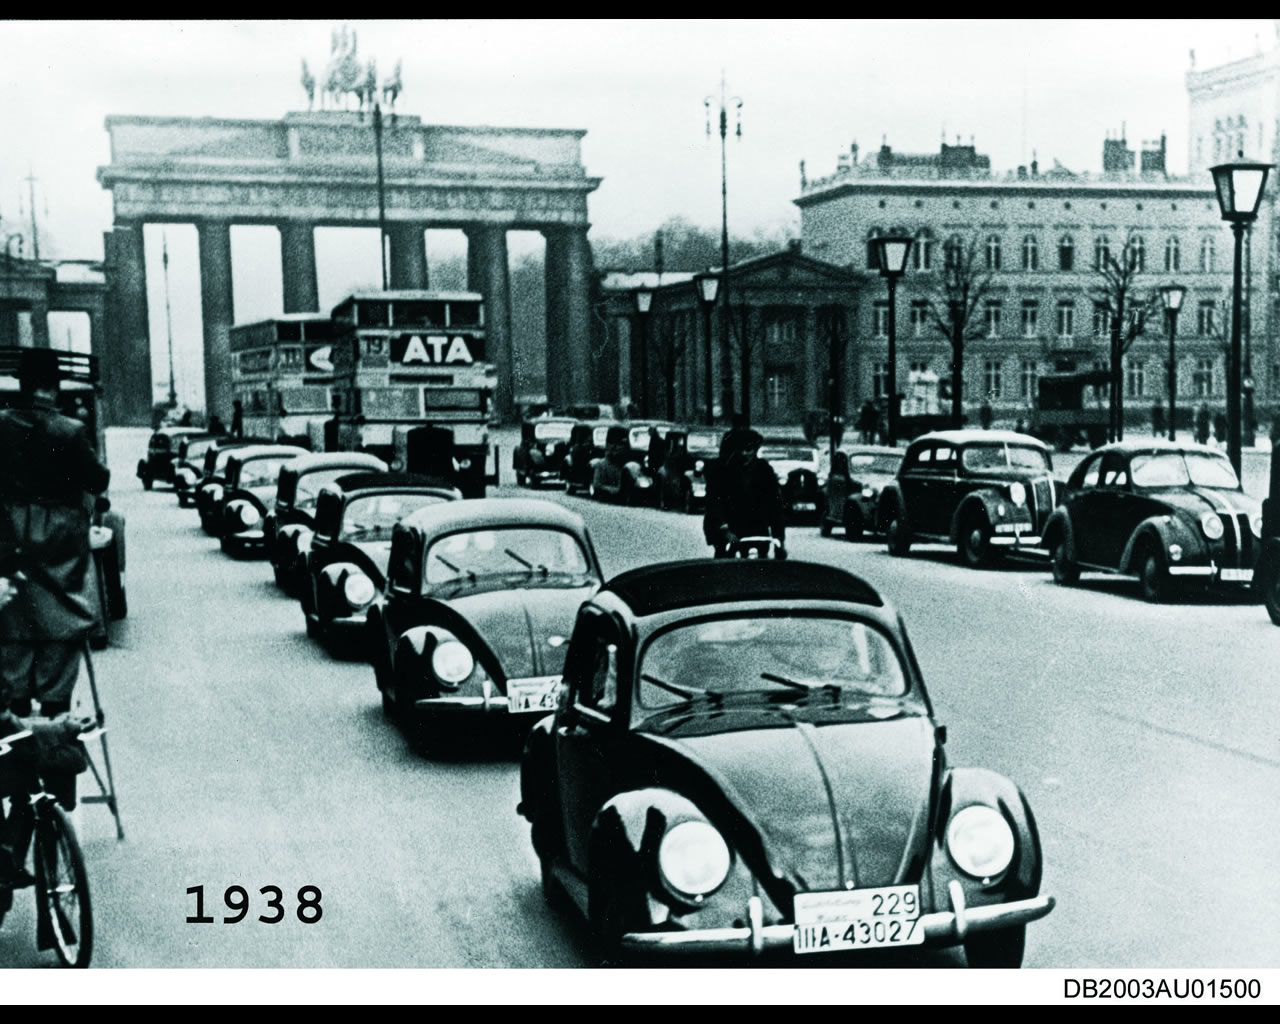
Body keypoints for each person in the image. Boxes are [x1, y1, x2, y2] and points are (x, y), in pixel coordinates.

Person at [0, 348, 111, 722]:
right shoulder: (70, 431)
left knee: (10, 667)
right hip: (59, 559)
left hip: (9, 561)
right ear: (55, 386)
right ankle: (55, 740)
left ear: (22, 384)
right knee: (58, 665)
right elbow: (98, 479)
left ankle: (15, 757)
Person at [703, 429, 787, 559]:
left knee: (763, 563)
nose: (744, 454)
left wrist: (779, 540)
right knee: (724, 561)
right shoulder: (722, 470)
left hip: (757, 529)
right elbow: (714, 502)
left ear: (756, 450)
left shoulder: (765, 470)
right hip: (729, 527)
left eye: (749, 450)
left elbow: (775, 505)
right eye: (740, 450)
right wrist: (725, 530)